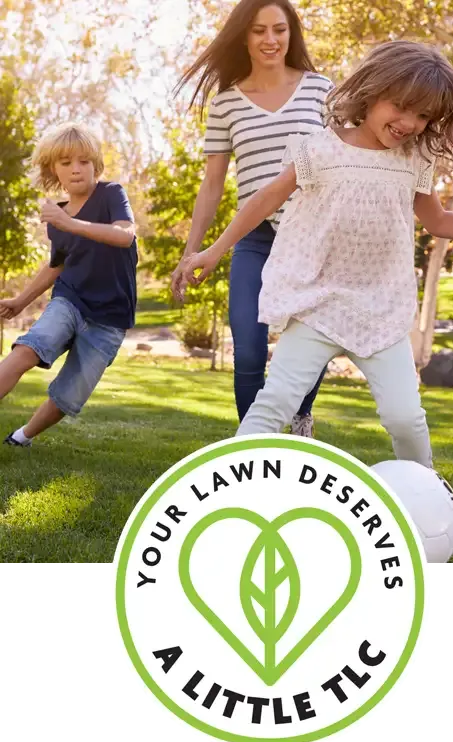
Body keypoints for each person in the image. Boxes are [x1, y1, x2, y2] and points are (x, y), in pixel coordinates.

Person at [178, 40, 453, 468]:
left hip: (381, 308)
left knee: (405, 418)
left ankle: (429, 499)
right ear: (371, 91)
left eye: (423, 115)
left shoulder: (414, 159)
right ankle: (232, 488)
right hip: (317, 302)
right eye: (401, 106)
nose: (409, 123)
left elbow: (438, 221)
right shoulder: (319, 149)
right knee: (275, 404)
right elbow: (264, 199)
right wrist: (213, 251)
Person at [170, 0, 331, 438]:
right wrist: (192, 252)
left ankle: (299, 422)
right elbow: (212, 185)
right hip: (255, 237)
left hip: (312, 236)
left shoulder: (321, 90)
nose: (270, 40)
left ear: (291, 34)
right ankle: (254, 445)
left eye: (279, 30)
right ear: (244, 36)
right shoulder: (225, 104)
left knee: (309, 343)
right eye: (259, 31)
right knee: (248, 346)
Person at [0, 123, 137, 448]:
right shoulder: (59, 218)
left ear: (95, 165)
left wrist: (69, 223)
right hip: (70, 301)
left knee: (69, 396)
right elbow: (56, 266)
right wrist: (21, 300)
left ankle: (21, 437)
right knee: (27, 349)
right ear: (53, 169)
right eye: (65, 162)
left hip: (110, 319)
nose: (76, 169)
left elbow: (124, 234)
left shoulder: (110, 194)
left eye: (83, 161)